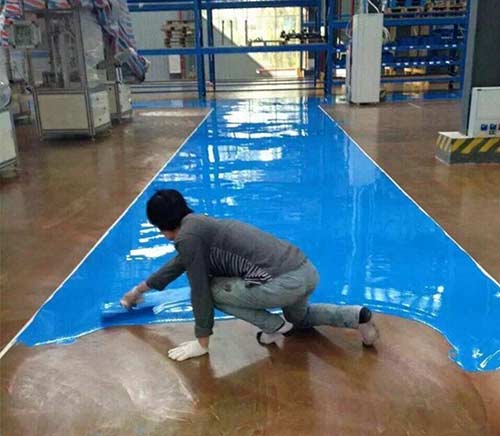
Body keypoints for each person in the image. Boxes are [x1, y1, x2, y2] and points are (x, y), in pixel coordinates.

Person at [121, 189, 379, 361]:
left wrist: (202, 342)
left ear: (163, 225)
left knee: (211, 291)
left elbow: (199, 291)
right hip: (305, 271)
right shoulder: (200, 224)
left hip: (282, 283)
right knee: (299, 318)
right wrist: (138, 290)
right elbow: (178, 264)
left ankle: (274, 326)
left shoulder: (188, 237)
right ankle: (357, 317)